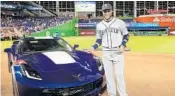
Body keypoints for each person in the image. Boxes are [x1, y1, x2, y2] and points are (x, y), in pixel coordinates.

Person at [88, 4, 129, 96]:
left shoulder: (119, 22)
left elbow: (126, 35)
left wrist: (123, 44)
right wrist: (93, 47)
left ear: (111, 11)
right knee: (109, 77)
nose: (106, 12)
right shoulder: (99, 25)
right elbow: (99, 40)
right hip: (106, 52)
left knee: (119, 75)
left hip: (117, 52)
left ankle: (123, 94)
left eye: (108, 10)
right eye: (104, 11)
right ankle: (112, 94)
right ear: (102, 12)